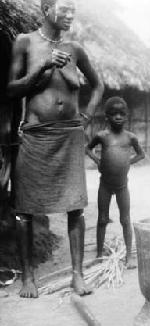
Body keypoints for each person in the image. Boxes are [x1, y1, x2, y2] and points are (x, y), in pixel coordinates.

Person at [7, 0, 104, 297]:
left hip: (69, 136)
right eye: (64, 9)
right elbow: (11, 90)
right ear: (46, 9)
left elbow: (99, 85)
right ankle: (28, 278)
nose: (70, 14)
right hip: (36, 136)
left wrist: (85, 118)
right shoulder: (25, 42)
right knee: (26, 209)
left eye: (73, 10)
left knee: (76, 206)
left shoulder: (75, 49)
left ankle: (78, 275)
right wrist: (43, 66)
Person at [86, 97, 145, 269]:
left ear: (127, 116)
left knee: (125, 219)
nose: (118, 117)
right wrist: (98, 161)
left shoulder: (130, 138)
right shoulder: (102, 136)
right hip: (105, 184)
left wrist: (128, 162)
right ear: (107, 117)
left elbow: (141, 154)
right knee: (102, 219)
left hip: (122, 186)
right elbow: (87, 148)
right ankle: (98, 254)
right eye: (114, 114)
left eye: (122, 114)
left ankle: (128, 256)